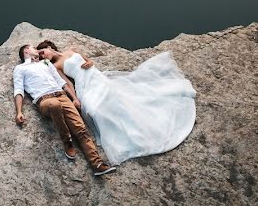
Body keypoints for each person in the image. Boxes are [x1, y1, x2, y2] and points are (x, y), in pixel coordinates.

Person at [36, 40, 196, 165]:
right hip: (83, 83)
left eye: (42, 53)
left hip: (95, 76)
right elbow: (68, 84)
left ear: (49, 47)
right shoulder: (56, 67)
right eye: (41, 57)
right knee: (93, 109)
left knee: (117, 98)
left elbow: (87, 60)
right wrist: (74, 98)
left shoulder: (71, 50)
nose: (43, 57)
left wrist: (90, 62)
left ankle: (136, 123)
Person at [13, 43, 117, 176]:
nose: (37, 50)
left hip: (62, 96)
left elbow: (60, 82)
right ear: (27, 51)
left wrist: (73, 98)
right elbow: (18, 90)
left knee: (81, 129)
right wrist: (19, 112)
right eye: (34, 48)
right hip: (44, 100)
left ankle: (97, 164)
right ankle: (66, 140)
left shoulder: (45, 63)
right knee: (54, 105)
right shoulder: (20, 68)